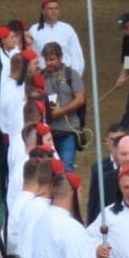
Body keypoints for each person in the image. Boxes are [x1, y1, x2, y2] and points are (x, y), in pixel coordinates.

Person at [40, 42, 85, 172]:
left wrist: (61, 111)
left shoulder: (72, 74)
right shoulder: (40, 76)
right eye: (46, 60)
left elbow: (80, 99)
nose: (48, 63)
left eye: (52, 59)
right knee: (48, 170)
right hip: (47, 132)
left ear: (60, 57)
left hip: (68, 130)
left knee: (67, 168)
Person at [30, 0, 85, 77]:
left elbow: (76, 54)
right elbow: (31, 53)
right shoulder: (34, 30)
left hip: (64, 75)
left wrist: (75, 75)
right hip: (43, 75)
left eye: (56, 8)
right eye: (50, 8)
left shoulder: (67, 29)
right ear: (43, 11)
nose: (53, 11)